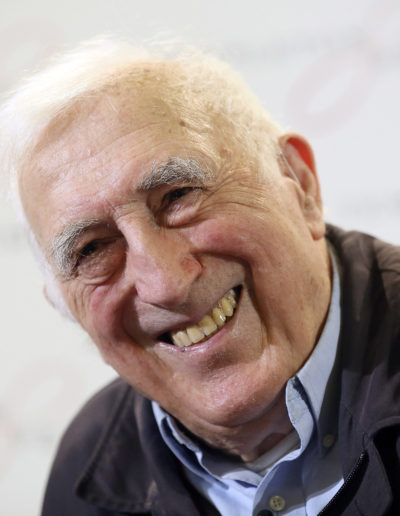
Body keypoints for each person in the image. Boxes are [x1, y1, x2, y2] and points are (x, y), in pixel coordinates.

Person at [1, 38, 399, 516]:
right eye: (93, 249)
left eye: (178, 196)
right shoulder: (85, 467)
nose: (165, 284)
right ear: (64, 304)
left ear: (299, 183)